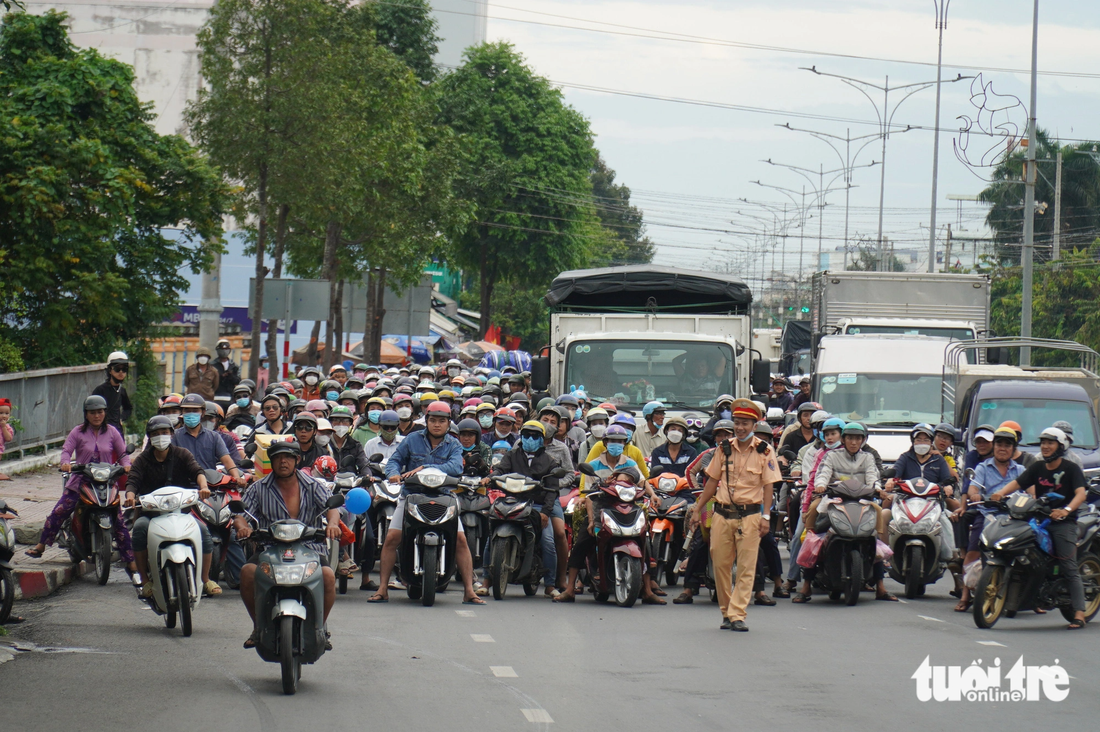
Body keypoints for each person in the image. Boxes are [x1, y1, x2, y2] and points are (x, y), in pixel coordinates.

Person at [369, 401, 484, 604]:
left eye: (442, 421)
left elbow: (456, 467)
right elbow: (395, 460)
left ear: (448, 423)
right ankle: (382, 588)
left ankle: (468, 590)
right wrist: (394, 474)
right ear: (427, 421)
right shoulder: (412, 439)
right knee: (391, 538)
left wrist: (423, 467)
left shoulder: (454, 445)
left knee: (461, 541)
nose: (437, 425)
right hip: (411, 495)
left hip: (445, 497)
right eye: (433, 420)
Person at [235, 440, 340, 648]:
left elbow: (332, 507)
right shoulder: (258, 488)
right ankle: (258, 627)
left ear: (297, 460)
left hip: (310, 547)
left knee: (328, 577)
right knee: (247, 572)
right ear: (271, 462)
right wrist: (242, 527)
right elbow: (241, 514)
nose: (283, 462)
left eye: (288, 457)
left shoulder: (313, 485)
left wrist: (333, 525)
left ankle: (320, 628)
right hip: (270, 549)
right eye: (277, 458)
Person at [688, 399, 781, 631]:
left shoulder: (765, 451)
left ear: (754, 425)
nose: (740, 428)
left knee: (747, 567)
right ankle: (726, 611)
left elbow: (769, 486)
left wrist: (766, 516)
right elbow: (711, 482)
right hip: (721, 514)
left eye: (745, 423)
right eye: (737, 423)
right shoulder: (723, 448)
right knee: (720, 564)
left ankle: (737, 614)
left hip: (750, 516)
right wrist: (697, 509)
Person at [990, 426, 1089, 629]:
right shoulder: (1037, 467)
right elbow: (1018, 483)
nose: (1045, 446)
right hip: (1039, 520)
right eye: (1043, 443)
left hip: (1064, 523)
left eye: (1050, 443)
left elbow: (1081, 494)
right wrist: (999, 493)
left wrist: (1066, 510)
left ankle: (1079, 611)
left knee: (1068, 565)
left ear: (1061, 446)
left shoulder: (1071, 469)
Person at [26, 396, 135, 576]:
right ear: (86, 414)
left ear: (105, 413)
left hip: (107, 482)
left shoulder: (113, 432)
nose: (97, 416)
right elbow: (66, 451)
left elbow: (123, 453)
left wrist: (126, 465)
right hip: (81, 481)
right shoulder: (77, 432)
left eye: (100, 412)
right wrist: (65, 463)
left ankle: (130, 561)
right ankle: (41, 546)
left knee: (119, 521)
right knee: (60, 511)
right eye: (92, 412)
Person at [800, 422, 896, 603]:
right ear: (843, 439)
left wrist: (877, 489)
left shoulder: (867, 457)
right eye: (850, 438)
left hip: (861, 502)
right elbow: (823, 473)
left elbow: (872, 477)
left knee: (874, 534)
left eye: (858, 438)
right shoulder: (831, 456)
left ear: (863, 440)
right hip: (833, 501)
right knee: (814, 530)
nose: (854, 442)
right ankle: (806, 586)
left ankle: (881, 586)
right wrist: (820, 486)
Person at [125, 416, 220, 598]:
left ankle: (205, 579)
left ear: (171, 434)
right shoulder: (142, 460)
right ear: (150, 437)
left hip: (181, 512)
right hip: (151, 514)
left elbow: (197, 471)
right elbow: (132, 482)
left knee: (203, 531)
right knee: (139, 529)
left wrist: (204, 487)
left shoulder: (182, 454)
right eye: (155, 434)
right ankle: (145, 581)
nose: (160, 437)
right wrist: (130, 497)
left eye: (164, 432)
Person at [554, 464, 665, 605]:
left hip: (627, 519)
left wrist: (653, 495)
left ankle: (648, 591)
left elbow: (644, 485)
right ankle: (570, 589)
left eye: (631, 479)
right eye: (626, 477)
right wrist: (591, 521)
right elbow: (589, 499)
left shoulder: (634, 490)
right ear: (615, 476)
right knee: (582, 543)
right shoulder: (602, 483)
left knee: (645, 544)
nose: (627, 481)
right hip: (600, 518)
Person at [490, 421, 566, 596]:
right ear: (521, 437)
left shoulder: (550, 461)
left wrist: (545, 513)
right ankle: (487, 579)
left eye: (535, 436)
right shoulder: (511, 455)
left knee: (548, 540)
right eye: (526, 436)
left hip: (540, 504)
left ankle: (550, 584)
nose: (530, 439)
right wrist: (491, 477)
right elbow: (500, 470)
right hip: (513, 501)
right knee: (492, 534)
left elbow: (552, 491)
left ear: (542, 439)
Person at [957, 426, 1026, 612]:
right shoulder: (983, 467)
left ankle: (1031, 598)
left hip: (1014, 519)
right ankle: (965, 595)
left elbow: (1031, 492)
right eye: (999, 444)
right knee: (972, 552)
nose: (1002, 448)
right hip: (987, 515)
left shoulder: (1020, 470)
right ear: (994, 447)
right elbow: (973, 488)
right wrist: (975, 495)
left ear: (1013, 449)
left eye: (1007, 445)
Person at [884, 423, 958, 570]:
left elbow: (947, 480)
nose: (922, 443)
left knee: (945, 521)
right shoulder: (905, 457)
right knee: (885, 514)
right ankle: (885, 554)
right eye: (919, 440)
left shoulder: (939, 460)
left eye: (925, 440)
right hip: (905, 500)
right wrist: (890, 480)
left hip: (932, 502)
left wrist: (948, 487)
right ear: (913, 441)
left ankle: (952, 561)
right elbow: (895, 472)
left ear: (931, 442)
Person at [173, 393, 247, 486]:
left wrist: (237, 478)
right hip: (182, 487)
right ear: (182, 412)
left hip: (210, 487)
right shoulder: (175, 436)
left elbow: (227, 461)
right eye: (187, 410)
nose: (191, 414)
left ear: (202, 412)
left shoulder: (214, 437)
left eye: (195, 410)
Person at [92, 351, 133, 435]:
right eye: (117, 369)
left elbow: (128, 408)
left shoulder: (122, 391)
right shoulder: (100, 390)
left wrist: (121, 418)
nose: (121, 372)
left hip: (117, 432)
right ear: (110, 370)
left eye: (124, 369)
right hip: (102, 432)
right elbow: (90, 410)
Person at [212, 339, 241, 406]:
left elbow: (238, 381)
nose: (224, 351)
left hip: (230, 396)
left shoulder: (234, 365)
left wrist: (231, 376)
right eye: (222, 349)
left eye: (226, 349)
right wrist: (220, 377)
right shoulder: (212, 365)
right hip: (215, 395)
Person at [0, 397, 14, 479]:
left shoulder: (7, 427)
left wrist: (3, 427)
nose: (3, 416)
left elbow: (8, 438)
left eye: (6, 413)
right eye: (1, 413)